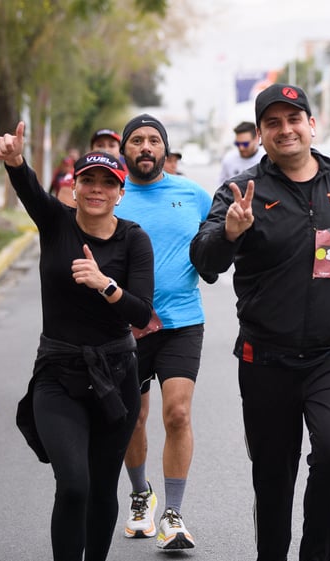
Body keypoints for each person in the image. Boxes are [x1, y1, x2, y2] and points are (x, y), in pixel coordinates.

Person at [190, 84, 330, 561]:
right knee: (272, 477)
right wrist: (228, 232)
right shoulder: (240, 191)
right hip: (265, 359)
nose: (285, 129)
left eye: (294, 119)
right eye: (273, 123)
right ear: (261, 135)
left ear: (311, 124)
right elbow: (205, 261)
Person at [0, 121, 155, 561]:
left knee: (102, 487)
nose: (97, 189)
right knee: (74, 484)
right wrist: (14, 159)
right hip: (58, 375)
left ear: (121, 192)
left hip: (117, 378)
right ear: (74, 187)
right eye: (88, 180)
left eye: (107, 182)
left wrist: (105, 284)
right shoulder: (56, 223)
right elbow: (27, 188)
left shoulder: (134, 239)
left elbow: (141, 312)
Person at [113, 114, 213, 551]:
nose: (146, 147)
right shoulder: (112, 196)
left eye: (154, 140)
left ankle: (173, 513)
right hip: (124, 328)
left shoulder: (192, 194)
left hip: (182, 322)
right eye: (137, 140)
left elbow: (221, 240)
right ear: (125, 150)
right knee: (133, 417)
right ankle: (140, 495)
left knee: (177, 413)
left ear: (165, 149)